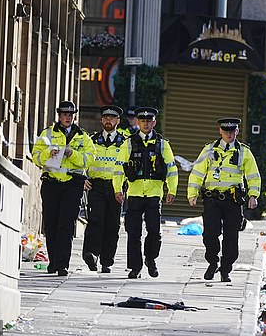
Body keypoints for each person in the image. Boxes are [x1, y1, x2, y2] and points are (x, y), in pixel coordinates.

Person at [187, 118, 261, 282]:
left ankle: (225, 269)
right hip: (212, 200)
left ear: (237, 132)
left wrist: (253, 195)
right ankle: (212, 263)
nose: (228, 134)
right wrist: (193, 193)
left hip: (233, 201)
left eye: (232, 131)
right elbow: (197, 173)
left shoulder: (244, 152)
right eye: (225, 131)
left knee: (231, 237)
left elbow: (253, 176)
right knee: (210, 234)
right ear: (220, 131)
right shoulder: (209, 149)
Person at [31, 101, 96, 276]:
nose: (67, 117)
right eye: (64, 114)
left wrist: (71, 154)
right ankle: (53, 262)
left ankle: (62, 265)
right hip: (51, 183)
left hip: (73, 184)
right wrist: (48, 154)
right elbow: (35, 156)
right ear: (59, 116)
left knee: (66, 225)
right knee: (51, 224)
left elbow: (90, 159)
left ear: (74, 116)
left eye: (70, 114)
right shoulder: (47, 134)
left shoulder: (82, 136)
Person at [113, 107, 179, 278]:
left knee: (154, 232)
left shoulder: (162, 144)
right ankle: (135, 267)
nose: (146, 124)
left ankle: (151, 259)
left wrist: (171, 190)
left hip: (154, 194)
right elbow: (119, 168)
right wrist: (118, 189)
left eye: (149, 121)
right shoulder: (129, 143)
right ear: (138, 122)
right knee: (133, 232)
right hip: (134, 194)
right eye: (142, 121)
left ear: (154, 123)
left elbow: (172, 169)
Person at [82, 106, 127, 273]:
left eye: (112, 118)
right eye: (105, 118)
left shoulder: (125, 143)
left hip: (116, 187)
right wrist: (83, 177)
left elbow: (130, 165)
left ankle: (107, 261)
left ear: (118, 121)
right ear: (101, 120)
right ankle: (91, 254)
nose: (108, 121)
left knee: (112, 225)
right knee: (95, 220)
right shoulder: (91, 140)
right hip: (96, 185)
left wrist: (124, 186)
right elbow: (82, 160)